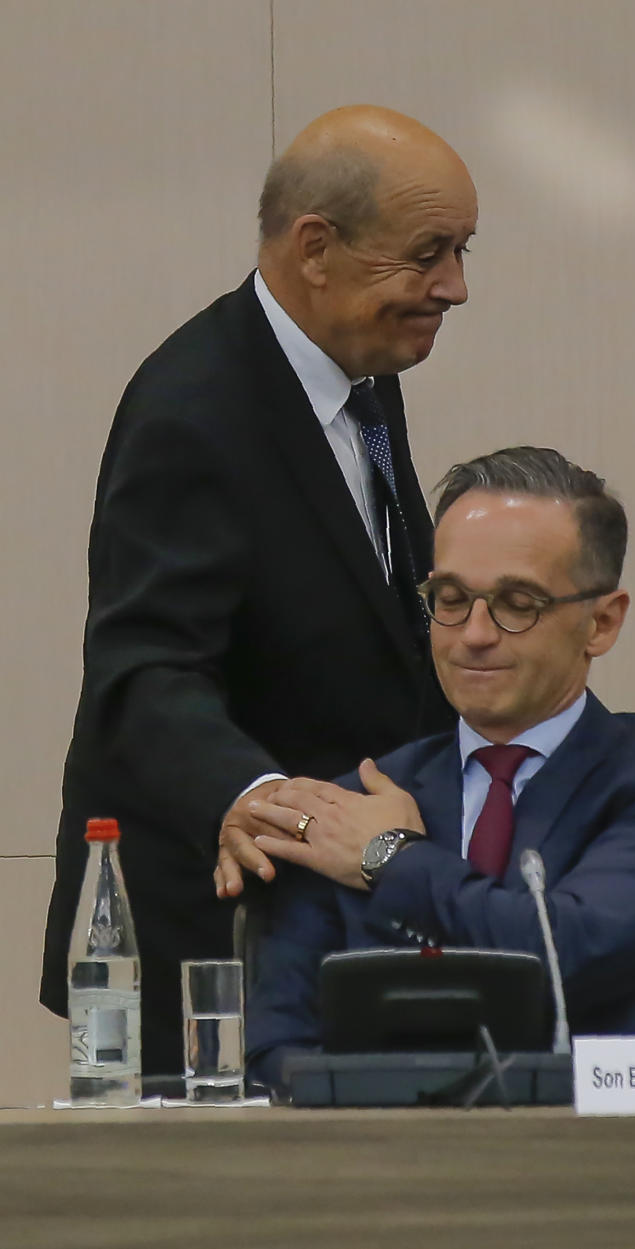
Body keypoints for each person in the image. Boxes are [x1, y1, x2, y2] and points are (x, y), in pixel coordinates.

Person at [41, 105, 478, 1075]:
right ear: (315, 248)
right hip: (210, 932)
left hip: (336, 917)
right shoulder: (194, 409)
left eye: (461, 251)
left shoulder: (362, 369)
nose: (455, 286)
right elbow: (144, 669)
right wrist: (258, 796)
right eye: (428, 254)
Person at [244, 447, 635, 1089]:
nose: (474, 634)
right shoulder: (350, 806)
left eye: (518, 603)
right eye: (452, 598)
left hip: (617, 1175)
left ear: (601, 621)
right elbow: (277, 1050)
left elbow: (562, 949)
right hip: (387, 1174)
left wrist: (390, 858)